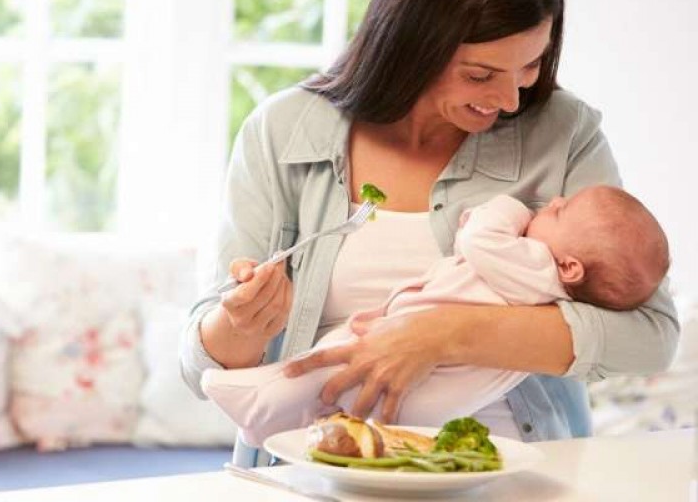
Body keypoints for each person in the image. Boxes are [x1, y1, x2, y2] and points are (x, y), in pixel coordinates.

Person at [178, 0, 679, 468]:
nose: (512, 100)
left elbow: (650, 334)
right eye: (481, 74)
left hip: (508, 471)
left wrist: (444, 334)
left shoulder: (563, 133)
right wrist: (243, 324)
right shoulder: (284, 131)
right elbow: (199, 368)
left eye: (530, 66)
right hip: (318, 469)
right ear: (412, 44)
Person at [200, 186, 670, 447]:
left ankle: (258, 405)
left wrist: (505, 206)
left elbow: (481, 239)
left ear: (570, 266)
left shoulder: (536, 264)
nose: (548, 204)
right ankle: (279, 418)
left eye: (559, 211)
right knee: (339, 394)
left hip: (431, 369)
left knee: (326, 366)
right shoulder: (553, 288)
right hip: (448, 397)